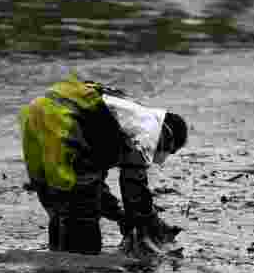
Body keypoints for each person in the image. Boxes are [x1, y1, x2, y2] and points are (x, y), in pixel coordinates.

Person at [19, 75, 189, 256]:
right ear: (167, 138)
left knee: (57, 200)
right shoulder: (148, 127)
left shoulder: (123, 116)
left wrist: (118, 213)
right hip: (65, 120)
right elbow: (134, 186)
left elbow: (95, 183)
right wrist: (147, 225)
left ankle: (55, 268)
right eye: (168, 151)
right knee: (82, 213)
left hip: (36, 113)